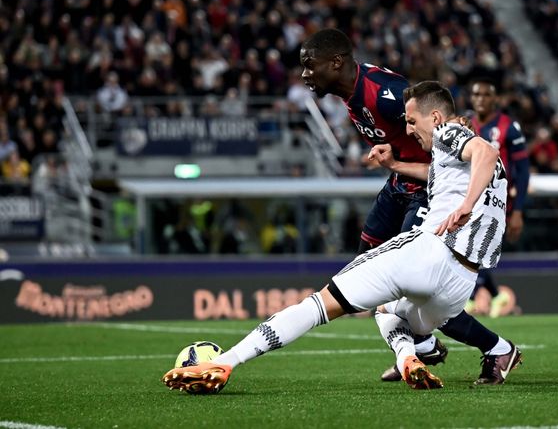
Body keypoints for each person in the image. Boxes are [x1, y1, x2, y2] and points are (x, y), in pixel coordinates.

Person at [162, 81, 522, 394]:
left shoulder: (451, 133)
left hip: (429, 252)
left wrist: (465, 206)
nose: (409, 130)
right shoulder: (454, 156)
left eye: (412, 121)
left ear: (437, 118)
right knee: (390, 311)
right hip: (460, 280)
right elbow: (443, 170)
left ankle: (225, 362)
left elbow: (485, 151)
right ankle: (430, 350)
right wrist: (395, 165)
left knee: (319, 305)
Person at [299, 29, 519, 384]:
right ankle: (423, 346)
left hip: (426, 191)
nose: (305, 75)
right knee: (363, 263)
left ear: (336, 62)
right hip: (399, 183)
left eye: (310, 67)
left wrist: (461, 132)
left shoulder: (383, 94)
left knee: (412, 280)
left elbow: (436, 116)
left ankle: (438, 346)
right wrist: (394, 161)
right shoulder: (348, 92)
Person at [466, 78, 531, 318]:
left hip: (497, 201)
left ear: (495, 99)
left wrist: (518, 211)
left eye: (486, 94)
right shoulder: (465, 124)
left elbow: (523, 171)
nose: (480, 99)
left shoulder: (508, 127)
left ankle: (472, 299)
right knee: (471, 249)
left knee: (477, 249)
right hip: (469, 197)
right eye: (476, 94)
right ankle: (494, 295)